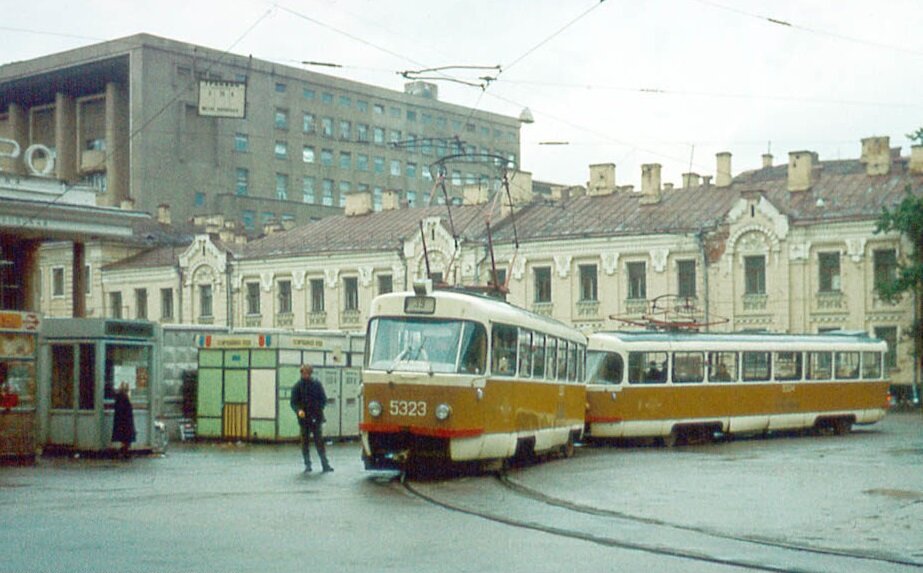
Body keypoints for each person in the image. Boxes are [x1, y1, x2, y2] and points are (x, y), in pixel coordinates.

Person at [290, 364, 332, 473]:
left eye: (308, 373)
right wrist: (298, 410)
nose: (306, 375)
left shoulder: (317, 385)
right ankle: (308, 464)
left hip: (316, 418)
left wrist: (318, 409)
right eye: (304, 373)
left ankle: (325, 464)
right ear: (301, 373)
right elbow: (293, 402)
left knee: (319, 442)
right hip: (304, 420)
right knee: (305, 443)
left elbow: (323, 399)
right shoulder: (297, 386)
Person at [112, 382, 136, 459]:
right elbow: (127, 411)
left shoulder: (118, 397)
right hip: (126, 422)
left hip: (121, 422)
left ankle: (123, 452)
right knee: (126, 439)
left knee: (123, 439)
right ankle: (124, 452)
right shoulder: (125, 398)